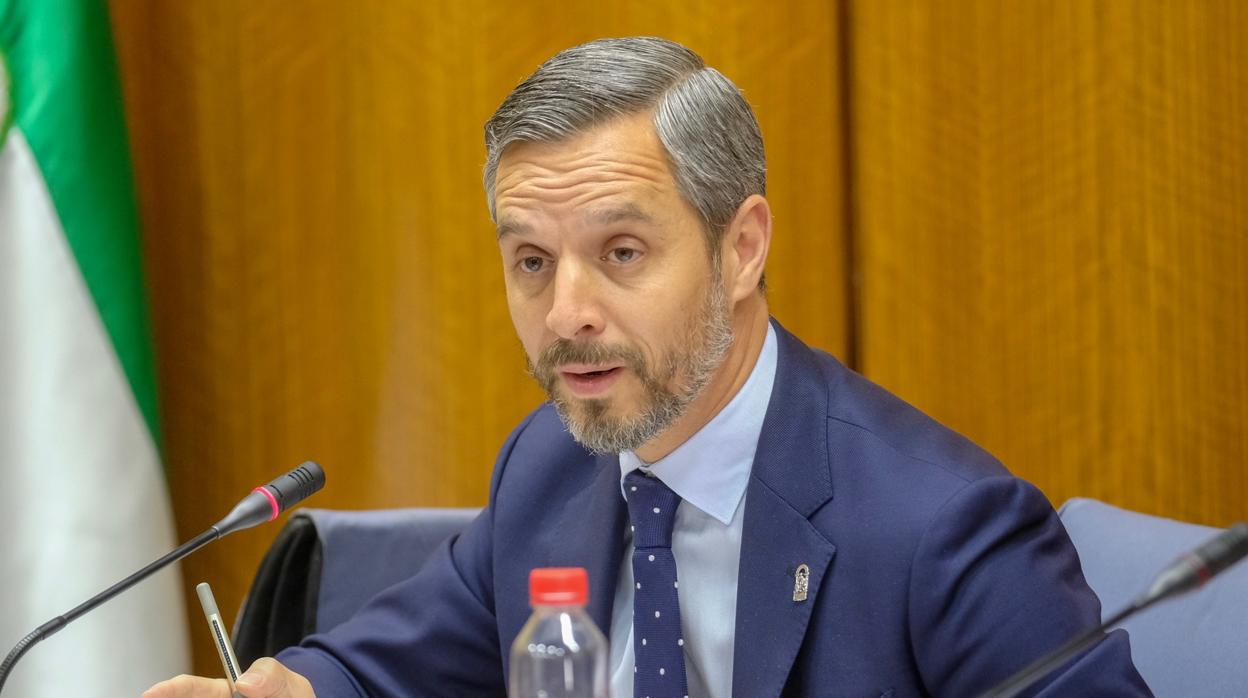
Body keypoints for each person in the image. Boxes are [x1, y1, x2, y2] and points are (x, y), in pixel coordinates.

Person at [146, 37, 1151, 697]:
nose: (566, 313)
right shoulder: (552, 464)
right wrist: (291, 686)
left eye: (622, 252)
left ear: (741, 248)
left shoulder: (942, 527)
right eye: (531, 262)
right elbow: (392, 663)